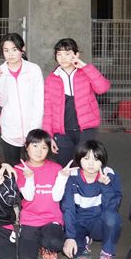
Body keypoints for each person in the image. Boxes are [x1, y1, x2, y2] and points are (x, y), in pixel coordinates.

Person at [43, 38, 111, 167]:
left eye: (67, 53)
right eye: (59, 54)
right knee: (65, 167)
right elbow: (48, 109)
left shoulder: (86, 73)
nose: (63, 58)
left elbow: (102, 88)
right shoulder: (51, 79)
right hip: (62, 132)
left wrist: (85, 67)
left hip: (86, 130)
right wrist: (48, 136)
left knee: (85, 166)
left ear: (76, 55)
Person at [61, 139, 122, 259]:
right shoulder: (72, 176)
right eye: (86, 158)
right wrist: (70, 237)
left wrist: (105, 186)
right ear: (79, 159)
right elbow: (68, 207)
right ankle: (84, 240)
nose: (91, 163)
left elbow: (112, 207)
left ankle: (106, 254)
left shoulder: (110, 175)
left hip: (99, 223)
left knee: (112, 218)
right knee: (70, 250)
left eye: (96, 159)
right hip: (80, 222)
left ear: (102, 161)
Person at [14, 129, 69, 259]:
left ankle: (46, 244)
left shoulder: (56, 168)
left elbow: (57, 197)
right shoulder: (20, 169)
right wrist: (30, 178)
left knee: (55, 243)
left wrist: (62, 177)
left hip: (52, 218)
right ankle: (38, 241)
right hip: (30, 219)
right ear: (26, 147)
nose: (39, 151)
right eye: (35, 146)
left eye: (44, 147)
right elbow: (28, 196)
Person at [0, 32, 45, 165]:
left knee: (33, 167)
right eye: (6, 50)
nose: (10, 54)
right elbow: (1, 102)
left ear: (22, 49)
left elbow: (39, 101)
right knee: (13, 168)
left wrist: (35, 128)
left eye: (14, 49)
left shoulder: (33, 70)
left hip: (32, 130)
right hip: (10, 131)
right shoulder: (0, 72)